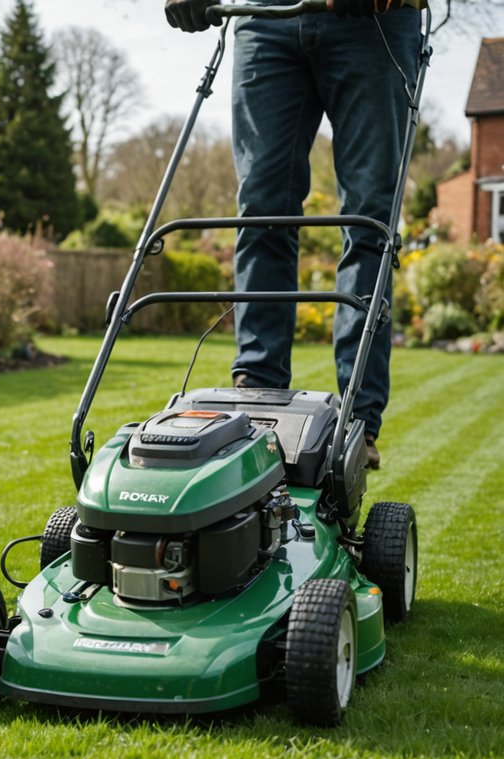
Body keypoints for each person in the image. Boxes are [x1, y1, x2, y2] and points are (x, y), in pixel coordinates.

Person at [165, 0, 424, 469]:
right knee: (261, 211)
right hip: (266, 19)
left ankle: (356, 418)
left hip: (374, 24)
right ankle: (257, 392)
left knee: (369, 221)